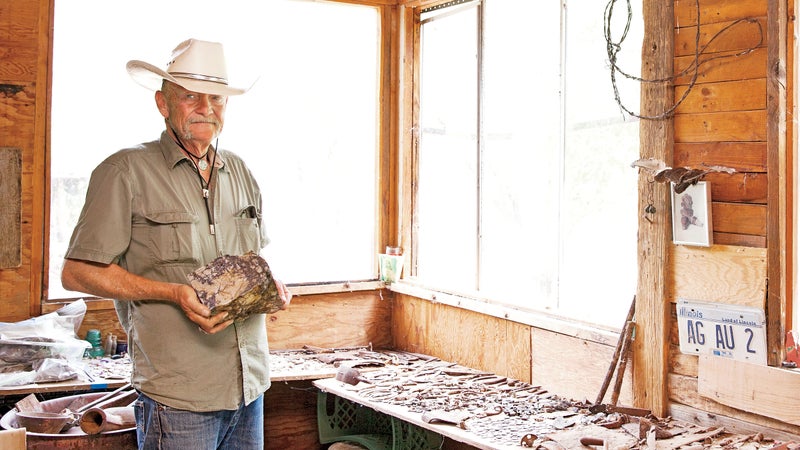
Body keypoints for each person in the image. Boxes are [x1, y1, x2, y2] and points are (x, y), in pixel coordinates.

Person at [61, 38, 291, 450]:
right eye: (190, 96)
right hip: (178, 395)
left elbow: (253, 256)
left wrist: (270, 287)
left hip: (249, 385)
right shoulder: (124, 171)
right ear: (162, 104)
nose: (206, 107)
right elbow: (77, 272)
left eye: (216, 97)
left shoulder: (239, 171)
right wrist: (171, 293)